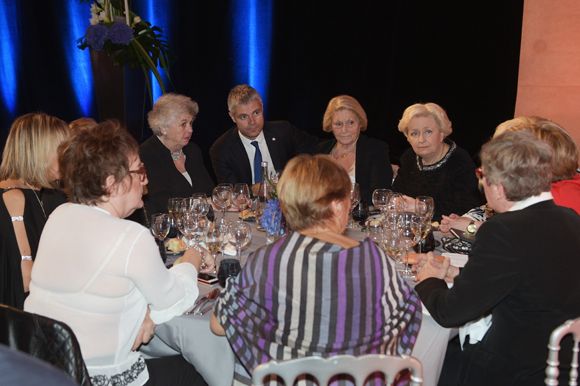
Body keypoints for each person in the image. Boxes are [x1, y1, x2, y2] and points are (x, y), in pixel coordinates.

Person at [25, 121, 215, 386]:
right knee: (201, 369)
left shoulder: (59, 216)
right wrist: (193, 257)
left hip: (48, 370)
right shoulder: (130, 236)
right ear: (111, 183)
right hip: (97, 377)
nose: (146, 179)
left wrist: (146, 315)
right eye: (139, 171)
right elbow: (173, 300)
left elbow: (99, 288)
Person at [211, 154, 422, 385]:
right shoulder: (376, 260)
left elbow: (219, 324)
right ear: (337, 205)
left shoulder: (267, 261)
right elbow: (406, 315)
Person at [413, 130, 580, 386]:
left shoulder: (502, 229)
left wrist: (428, 280)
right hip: (563, 363)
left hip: (514, 370)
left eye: (482, 177)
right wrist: (457, 275)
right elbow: (529, 279)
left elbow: (449, 313)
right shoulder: (570, 218)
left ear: (499, 189)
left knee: (427, 364)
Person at [440, 117, 580, 236]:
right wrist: (466, 224)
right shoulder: (561, 184)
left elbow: (512, 237)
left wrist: (470, 228)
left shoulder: (554, 200)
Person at [0, 112, 70, 309]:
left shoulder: (36, 193)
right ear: (38, 152)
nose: (69, 157)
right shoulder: (15, 197)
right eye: (62, 150)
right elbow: (25, 281)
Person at [209, 84, 318, 195]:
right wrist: (252, 190)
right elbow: (231, 192)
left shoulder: (284, 131)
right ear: (232, 117)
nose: (252, 122)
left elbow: (317, 149)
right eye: (244, 117)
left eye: (256, 113)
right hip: (246, 210)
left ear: (262, 108)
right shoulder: (221, 149)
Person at [392, 103, 482, 222]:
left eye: (428, 131)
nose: (421, 139)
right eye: (414, 133)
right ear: (407, 137)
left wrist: (422, 208)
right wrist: (397, 201)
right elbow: (396, 193)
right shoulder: (409, 157)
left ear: (442, 133)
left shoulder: (460, 161)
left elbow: (467, 210)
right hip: (411, 228)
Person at [139, 93, 215, 216]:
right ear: (163, 127)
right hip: (167, 230)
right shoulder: (146, 154)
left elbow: (209, 190)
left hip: (201, 226)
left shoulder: (193, 150)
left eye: (191, 123)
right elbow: (162, 202)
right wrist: (205, 203)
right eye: (183, 124)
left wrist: (226, 198)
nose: (190, 129)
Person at [318, 95, 393, 202]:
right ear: (330, 125)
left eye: (350, 123)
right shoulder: (321, 150)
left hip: (361, 216)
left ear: (360, 122)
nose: (344, 130)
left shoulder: (376, 149)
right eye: (338, 124)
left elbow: (379, 194)